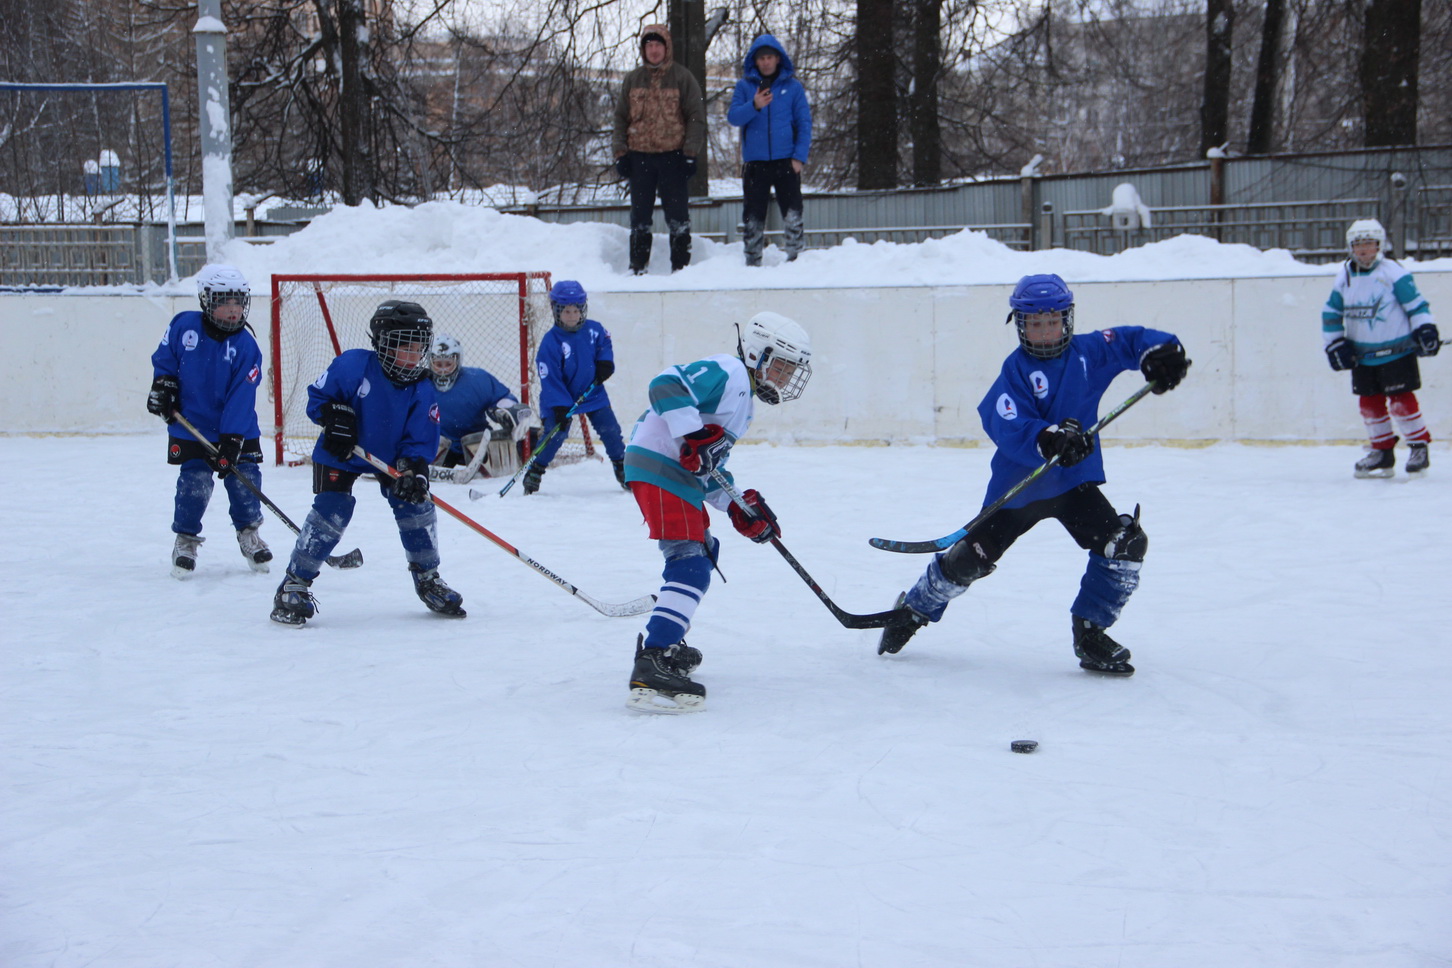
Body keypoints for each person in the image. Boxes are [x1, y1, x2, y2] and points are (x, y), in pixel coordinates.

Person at [876, 274, 1190, 676]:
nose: (1044, 332)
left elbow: (1131, 340)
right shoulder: (1016, 369)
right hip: (1020, 487)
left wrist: (1161, 353)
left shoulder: (1089, 353)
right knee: (970, 559)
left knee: (1123, 545)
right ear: (1020, 324)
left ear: (1067, 319)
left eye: (1052, 321)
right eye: (1034, 323)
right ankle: (914, 609)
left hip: (1072, 483)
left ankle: (1091, 633)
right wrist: (1048, 438)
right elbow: (1004, 420)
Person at [621, 311, 813, 713]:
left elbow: (705, 466)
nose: (784, 378)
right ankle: (654, 658)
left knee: (704, 553)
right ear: (758, 354)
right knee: (689, 561)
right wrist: (693, 434)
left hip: (673, 473)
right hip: (658, 465)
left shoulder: (745, 407)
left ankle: (665, 644)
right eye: (781, 366)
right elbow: (665, 385)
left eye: (790, 371)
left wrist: (740, 507)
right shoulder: (729, 371)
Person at [269, 299, 466, 626]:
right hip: (343, 452)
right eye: (405, 347)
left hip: (391, 455)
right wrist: (335, 416)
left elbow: (419, 438)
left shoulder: (421, 387)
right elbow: (318, 399)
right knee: (333, 509)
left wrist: (414, 471)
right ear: (383, 343)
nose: (413, 355)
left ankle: (428, 579)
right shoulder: (352, 366)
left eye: (419, 348)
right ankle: (294, 583)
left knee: (416, 505)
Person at [146, 263, 272, 578]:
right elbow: (165, 360)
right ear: (206, 301)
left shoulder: (246, 346)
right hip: (192, 426)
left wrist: (232, 438)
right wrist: (163, 386)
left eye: (238, 302)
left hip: (237, 428)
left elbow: (241, 397)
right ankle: (185, 540)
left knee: (245, 481)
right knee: (194, 483)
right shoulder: (183, 326)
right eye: (224, 302)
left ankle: (249, 534)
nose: (233, 310)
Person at [1322, 218, 1439, 478]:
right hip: (1362, 356)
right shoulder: (1345, 277)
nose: (1364, 249)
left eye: (1369, 244)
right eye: (1358, 244)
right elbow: (1331, 313)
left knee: (1401, 402)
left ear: (1379, 245)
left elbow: (1417, 306)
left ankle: (1418, 447)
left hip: (1397, 353)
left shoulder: (1393, 273)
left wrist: (1425, 329)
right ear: (1351, 247)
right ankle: (1382, 451)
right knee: (1369, 404)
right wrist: (1335, 344)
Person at [611, 24, 707, 275]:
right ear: (643, 49)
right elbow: (620, 118)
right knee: (639, 218)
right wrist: (620, 152)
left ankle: (681, 270)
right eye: (649, 45)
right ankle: (637, 268)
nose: (654, 50)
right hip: (639, 158)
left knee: (678, 218)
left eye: (658, 45)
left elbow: (696, 117)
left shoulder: (683, 78)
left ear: (667, 48)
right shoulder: (633, 79)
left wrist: (690, 153)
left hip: (673, 158)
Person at [526, 280, 628, 494]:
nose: (572, 316)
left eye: (575, 311)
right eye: (566, 312)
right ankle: (535, 471)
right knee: (556, 434)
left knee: (610, 430)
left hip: (592, 393)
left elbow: (605, 344)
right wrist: (560, 404)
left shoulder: (595, 330)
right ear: (556, 311)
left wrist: (605, 362)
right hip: (559, 398)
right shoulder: (550, 342)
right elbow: (550, 378)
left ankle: (622, 468)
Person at [726, 34, 813, 266]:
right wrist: (754, 105)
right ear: (755, 61)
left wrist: (799, 157)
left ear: (778, 59)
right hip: (755, 164)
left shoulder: (793, 88)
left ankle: (797, 261)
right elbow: (733, 117)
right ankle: (752, 263)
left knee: (793, 214)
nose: (765, 62)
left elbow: (804, 123)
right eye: (761, 58)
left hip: (787, 161)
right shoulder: (744, 87)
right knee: (753, 217)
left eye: (769, 57)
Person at [428, 332, 531, 481]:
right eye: (438, 364)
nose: (443, 370)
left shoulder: (477, 379)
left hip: (478, 447)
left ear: (458, 361)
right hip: (436, 448)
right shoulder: (420, 384)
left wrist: (506, 410)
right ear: (430, 362)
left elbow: (502, 398)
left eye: (448, 364)